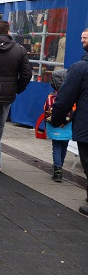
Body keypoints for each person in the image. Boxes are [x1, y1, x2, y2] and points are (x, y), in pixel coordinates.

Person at [50, 28, 88, 216]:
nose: (82, 40)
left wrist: (56, 119)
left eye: (85, 38)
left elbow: (64, 98)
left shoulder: (80, 68)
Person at [0, 20, 32, 173]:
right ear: (8, 31)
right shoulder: (19, 49)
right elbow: (26, 74)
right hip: (9, 91)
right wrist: (18, 88)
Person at [44, 69, 71, 183]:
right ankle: (60, 166)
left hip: (54, 125)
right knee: (64, 146)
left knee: (56, 147)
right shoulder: (71, 96)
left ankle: (57, 169)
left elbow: (47, 111)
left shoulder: (51, 97)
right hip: (67, 125)